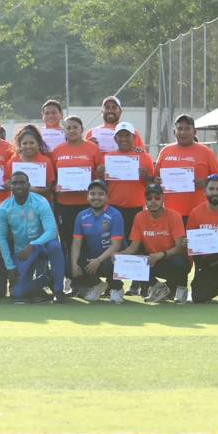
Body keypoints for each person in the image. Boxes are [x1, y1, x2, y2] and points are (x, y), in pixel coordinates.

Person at [0, 171, 65, 304]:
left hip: (42, 245)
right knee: (18, 295)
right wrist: (10, 266)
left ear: (28, 185)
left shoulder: (40, 201)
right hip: (22, 251)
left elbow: (52, 231)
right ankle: (46, 279)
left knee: (55, 246)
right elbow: (2, 237)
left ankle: (58, 291)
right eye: (15, 183)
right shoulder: (4, 208)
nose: (19, 186)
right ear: (10, 186)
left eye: (22, 182)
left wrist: (33, 244)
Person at [51, 115, 100, 292]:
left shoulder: (93, 149)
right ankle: (71, 279)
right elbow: (52, 178)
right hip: (64, 205)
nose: (71, 130)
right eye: (68, 128)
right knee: (67, 242)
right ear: (64, 131)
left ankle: (87, 281)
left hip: (87, 205)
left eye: (75, 127)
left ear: (82, 129)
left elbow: (100, 175)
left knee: (87, 242)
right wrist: (56, 185)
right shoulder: (57, 151)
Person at [118, 184, 189, 303]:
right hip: (153, 260)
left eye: (157, 198)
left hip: (172, 258)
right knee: (131, 262)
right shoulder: (139, 217)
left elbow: (180, 247)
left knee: (179, 262)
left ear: (163, 199)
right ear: (145, 201)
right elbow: (133, 248)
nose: (153, 201)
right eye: (149, 199)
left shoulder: (174, 216)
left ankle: (181, 288)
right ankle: (158, 288)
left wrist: (161, 254)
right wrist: (119, 255)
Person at [155, 114, 218, 222]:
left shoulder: (206, 152)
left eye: (187, 128)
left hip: (200, 213)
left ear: (194, 132)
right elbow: (155, 178)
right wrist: (157, 181)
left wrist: (205, 183)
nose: (183, 132)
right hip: (171, 214)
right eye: (180, 128)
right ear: (174, 132)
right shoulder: (165, 151)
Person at [184, 175, 218, 304]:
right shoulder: (196, 213)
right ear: (205, 191)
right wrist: (187, 243)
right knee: (198, 296)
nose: (215, 192)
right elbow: (192, 246)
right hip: (211, 261)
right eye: (211, 189)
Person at [97, 121, 154, 241]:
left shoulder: (144, 157)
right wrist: (100, 174)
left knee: (134, 242)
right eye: (120, 136)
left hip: (137, 208)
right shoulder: (108, 157)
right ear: (115, 138)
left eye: (127, 135)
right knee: (114, 242)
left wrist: (146, 177)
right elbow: (103, 184)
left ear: (134, 137)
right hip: (113, 207)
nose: (123, 139)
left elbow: (152, 185)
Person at [70, 180, 125, 303]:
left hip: (108, 258)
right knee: (68, 266)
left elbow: (116, 245)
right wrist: (74, 264)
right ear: (88, 196)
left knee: (112, 261)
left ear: (106, 196)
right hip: (92, 257)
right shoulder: (81, 215)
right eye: (92, 194)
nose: (96, 197)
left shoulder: (115, 215)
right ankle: (97, 285)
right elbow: (76, 242)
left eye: (100, 194)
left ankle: (117, 287)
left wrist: (98, 260)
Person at [6, 124, 56, 200]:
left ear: (38, 144)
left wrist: (30, 189)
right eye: (24, 143)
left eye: (32, 143)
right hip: (19, 205)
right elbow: (7, 182)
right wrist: (17, 187)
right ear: (19, 145)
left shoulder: (46, 162)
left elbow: (49, 187)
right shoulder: (12, 162)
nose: (28, 146)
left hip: (40, 204)